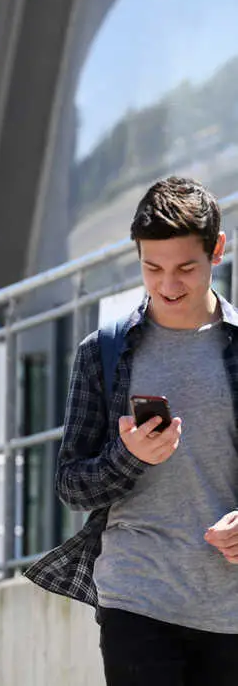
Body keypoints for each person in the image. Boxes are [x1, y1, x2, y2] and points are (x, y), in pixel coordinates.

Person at [26, 177, 238, 685]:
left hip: (229, 606)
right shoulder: (104, 351)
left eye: (186, 268)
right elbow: (71, 486)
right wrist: (129, 455)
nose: (168, 285)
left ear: (219, 250)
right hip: (135, 595)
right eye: (152, 268)